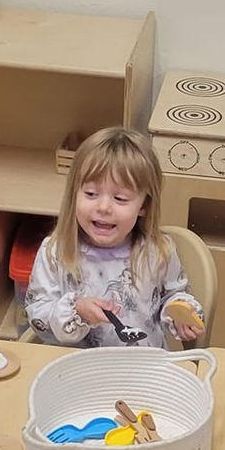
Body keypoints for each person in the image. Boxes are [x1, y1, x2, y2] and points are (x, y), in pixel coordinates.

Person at [25, 125, 206, 349]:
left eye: (120, 198)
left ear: (144, 206)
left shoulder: (159, 251)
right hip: (77, 372)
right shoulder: (55, 252)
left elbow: (173, 295)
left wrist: (179, 311)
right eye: (91, 194)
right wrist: (76, 309)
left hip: (143, 369)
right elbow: (38, 316)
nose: (103, 207)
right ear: (74, 194)